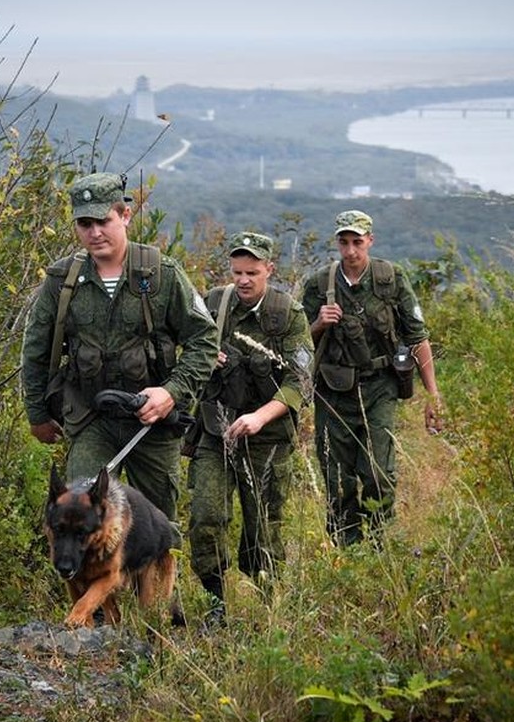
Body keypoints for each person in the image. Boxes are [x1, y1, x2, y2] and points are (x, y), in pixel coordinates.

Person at [21, 172, 218, 525]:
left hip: (153, 424)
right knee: (77, 516)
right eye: (84, 223)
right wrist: (37, 413)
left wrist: (171, 393)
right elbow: (35, 348)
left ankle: (152, 583)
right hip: (90, 417)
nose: (94, 233)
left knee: (158, 529)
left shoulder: (162, 275)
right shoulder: (62, 281)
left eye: (103, 221)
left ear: (124, 216)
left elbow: (204, 340)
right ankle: (91, 580)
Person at [186, 232, 312, 625]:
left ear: (269, 270)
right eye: (237, 271)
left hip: (266, 440)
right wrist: (207, 356)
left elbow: (301, 381)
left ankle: (267, 608)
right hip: (216, 430)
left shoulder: (287, 314)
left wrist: (260, 417)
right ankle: (215, 603)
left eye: (252, 272)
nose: (243, 280)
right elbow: (187, 346)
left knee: (263, 527)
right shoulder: (214, 304)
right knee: (206, 517)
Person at [301, 210, 443, 547]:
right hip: (333, 390)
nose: (350, 251)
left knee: (378, 472)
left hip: (380, 385)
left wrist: (433, 394)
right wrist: (320, 323)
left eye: (357, 243)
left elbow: (417, 337)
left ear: (370, 241)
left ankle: (380, 544)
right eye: (344, 242)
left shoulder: (390, 279)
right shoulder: (320, 284)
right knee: (337, 477)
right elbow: (297, 345)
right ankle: (345, 549)